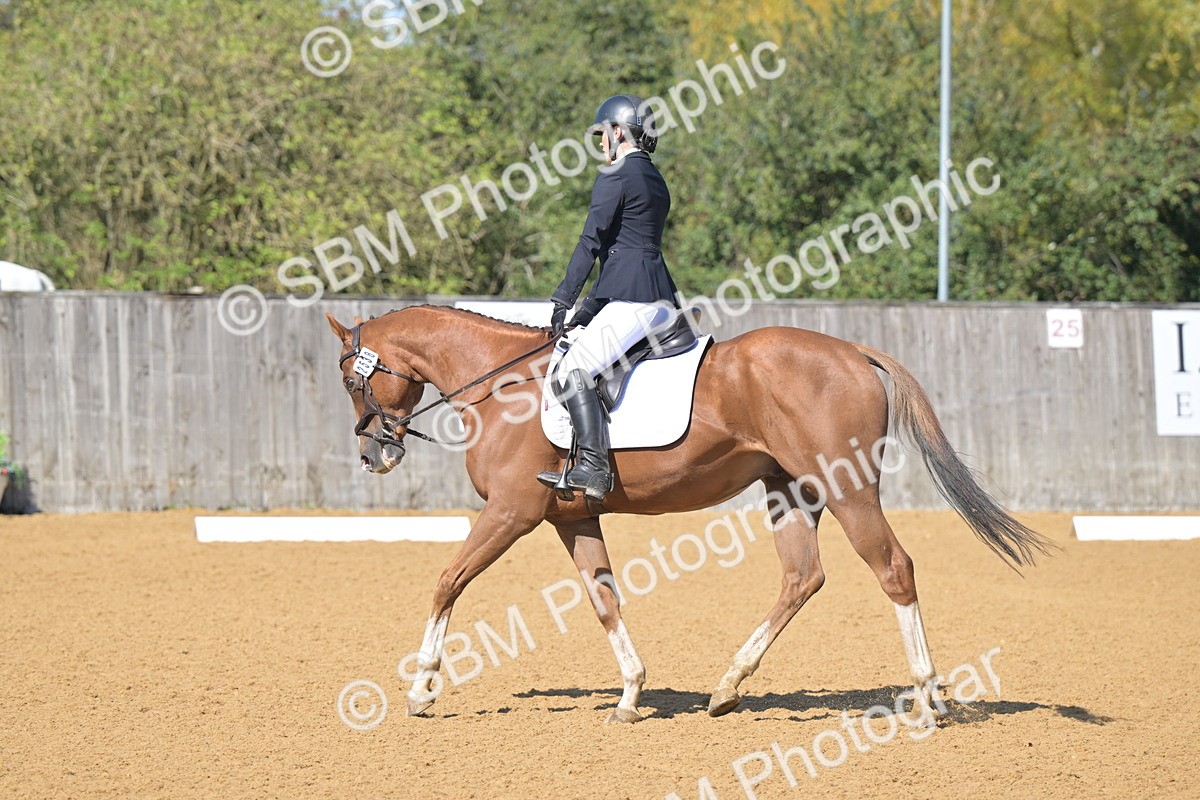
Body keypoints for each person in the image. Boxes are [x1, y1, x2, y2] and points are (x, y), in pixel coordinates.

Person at [536, 94, 682, 503]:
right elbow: (623, 250)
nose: (601, 142)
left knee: (572, 370)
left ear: (619, 132)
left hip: (633, 300)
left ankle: (595, 467)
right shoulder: (655, 178)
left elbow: (592, 241)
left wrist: (563, 297)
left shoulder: (615, 174)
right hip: (658, 297)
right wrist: (589, 310)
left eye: (603, 133)